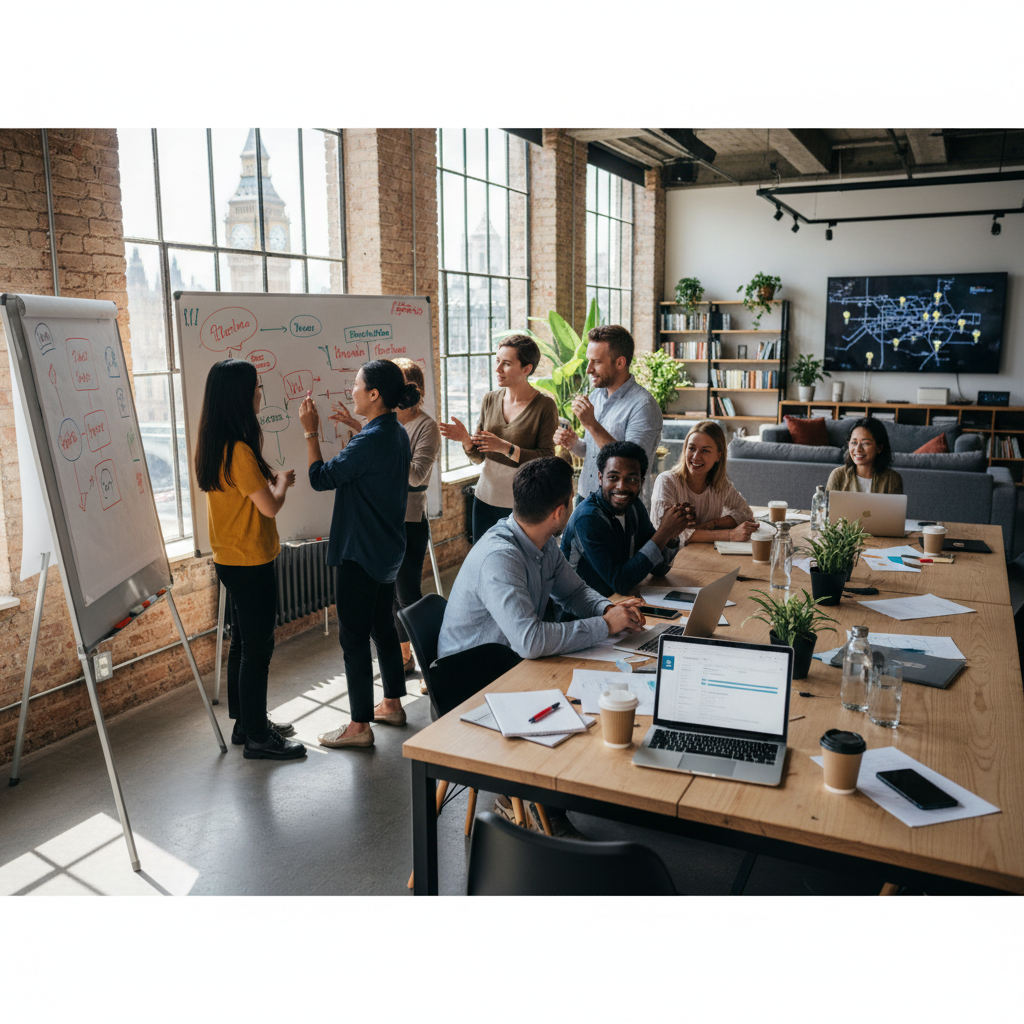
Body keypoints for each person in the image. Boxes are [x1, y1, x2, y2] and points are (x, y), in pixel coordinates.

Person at [433, 457, 647, 701]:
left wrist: (609, 609)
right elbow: (530, 641)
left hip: (510, 664)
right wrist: (606, 625)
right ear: (559, 512)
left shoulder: (542, 540)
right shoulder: (499, 558)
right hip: (471, 682)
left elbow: (574, 592)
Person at [297, 361, 420, 749]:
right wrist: (354, 430)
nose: (350, 391)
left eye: (356, 385)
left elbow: (321, 478)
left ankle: (358, 726)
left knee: (352, 637)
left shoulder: (373, 438)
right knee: (381, 627)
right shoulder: (395, 430)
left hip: (361, 553)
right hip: (386, 549)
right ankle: (392, 704)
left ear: (374, 395)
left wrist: (311, 431)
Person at [194, 358, 305, 761]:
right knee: (258, 649)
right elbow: (270, 508)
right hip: (250, 560)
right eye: (256, 387)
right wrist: (282, 483)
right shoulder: (239, 451)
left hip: (231, 558)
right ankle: (258, 737)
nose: (260, 393)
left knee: (243, 642)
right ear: (241, 396)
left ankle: (246, 723)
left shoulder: (215, 442)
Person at [332, 358, 441, 681]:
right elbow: (379, 451)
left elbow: (418, 476)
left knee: (407, 595)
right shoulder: (385, 427)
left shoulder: (425, 426)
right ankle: (405, 658)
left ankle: (432, 667)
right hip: (382, 519)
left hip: (408, 520)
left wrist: (383, 452)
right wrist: (361, 432)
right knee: (388, 599)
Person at [439, 335, 558, 543]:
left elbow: (547, 458)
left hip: (522, 506)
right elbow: (478, 458)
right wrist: (466, 439)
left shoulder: (544, 406)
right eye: (497, 361)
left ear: (526, 369)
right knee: (483, 561)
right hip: (485, 498)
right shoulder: (490, 399)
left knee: (516, 566)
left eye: (507, 363)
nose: (498, 369)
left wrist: (507, 448)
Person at [560, 441, 691, 598]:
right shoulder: (588, 519)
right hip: (580, 616)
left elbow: (659, 569)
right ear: (600, 478)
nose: (621, 486)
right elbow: (621, 583)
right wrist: (663, 532)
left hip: (617, 604)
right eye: (613, 477)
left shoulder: (634, 507)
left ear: (641, 482)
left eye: (632, 479)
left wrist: (671, 535)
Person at [553, 324, 663, 508]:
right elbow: (593, 452)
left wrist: (592, 425)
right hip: (584, 497)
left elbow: (630, 465)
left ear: (620, 363)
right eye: (589, 361)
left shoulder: (644, 406)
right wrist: (573, 443)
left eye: (596, 362)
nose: (588, 369)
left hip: (617, 505)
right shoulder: (596, 395)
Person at [650, 420, 758, 546]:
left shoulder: (721, 486)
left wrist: (712, 524)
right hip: (671, 560)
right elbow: (664, 533)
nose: (696, 456)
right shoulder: (667, 481)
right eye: (691, 448)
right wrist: (729, 535)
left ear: (718, 456)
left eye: (705, 451)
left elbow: (745, 513)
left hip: (705, 554)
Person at [826, 417, 904, 494]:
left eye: (865, 443)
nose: (858, 449)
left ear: (879, 448)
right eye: (854, 443)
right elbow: (827, 506)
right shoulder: (838, 475)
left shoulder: (892, 479)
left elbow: (895, 507)